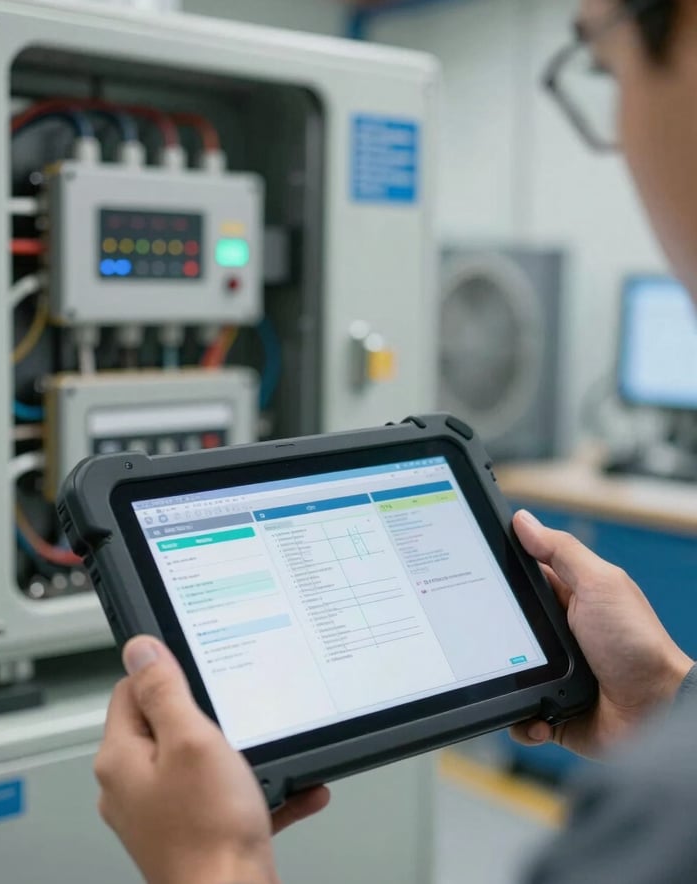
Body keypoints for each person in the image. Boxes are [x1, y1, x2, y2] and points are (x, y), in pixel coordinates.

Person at [93, 1, 697, 881]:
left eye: (605, 67)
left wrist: (210, 861)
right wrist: (665, 698)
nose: (617, 128)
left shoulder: (661, 814)